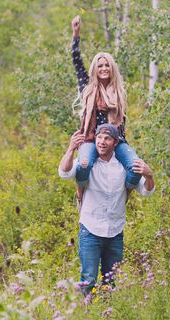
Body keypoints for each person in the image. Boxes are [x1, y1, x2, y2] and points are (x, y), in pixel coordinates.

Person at [58, 123, 155, 295]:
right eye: (99, 137)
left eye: (107, 138)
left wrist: (149, 175)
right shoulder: (88, 164)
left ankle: (106, 311)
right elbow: (64, 173)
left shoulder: (123, 167)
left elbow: (147, 191)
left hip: (115, 232)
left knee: (110, 280)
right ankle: (87, 313)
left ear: (115, 143)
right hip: (90, 230)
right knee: (88, 279)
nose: (102, 142)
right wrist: (71, 149)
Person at [71, 16, 142, 204]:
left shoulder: (119, 92)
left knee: (136, 168)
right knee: (83, 166)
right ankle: (80, 195)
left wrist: (122, 144)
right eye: (100, 65)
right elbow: (77, 61)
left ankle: (124, 196)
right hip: (91, 138)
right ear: (95, 69)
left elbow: (122, 125)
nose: (103, 68)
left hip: (116, 140)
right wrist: (76, 35)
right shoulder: (87, 86)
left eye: (107, 65)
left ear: (112, 68)